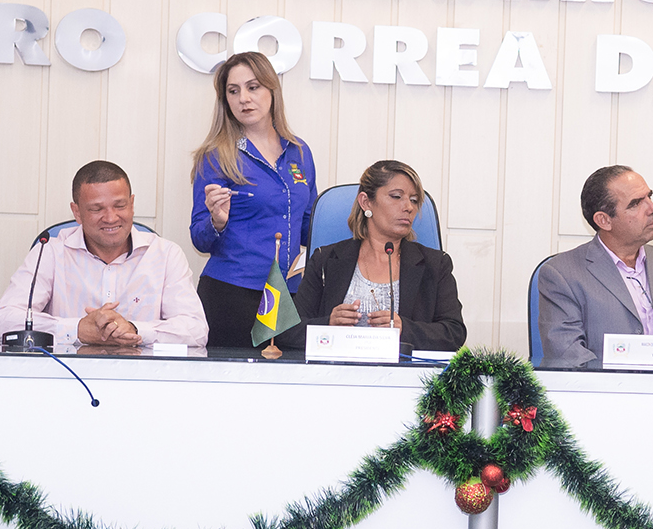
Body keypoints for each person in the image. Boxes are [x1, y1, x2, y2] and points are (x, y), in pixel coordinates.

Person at [0, 161, 208, 348]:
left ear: (132, 204)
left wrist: (134, 329)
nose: (110, 218)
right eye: (96, 209)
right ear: (77, 212)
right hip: (65, 377)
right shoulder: (50, 252)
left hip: (143, 378)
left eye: (120, 205)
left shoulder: (166, 254)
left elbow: (196, 331)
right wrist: (77, 329)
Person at [536, 165, 653, 368]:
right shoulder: (562, 274)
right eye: (635, 203)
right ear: (604, 220)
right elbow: (568, 357)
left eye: (649, 197)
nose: (652, 208)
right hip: (606, 388)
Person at [190, 50, 317, 349]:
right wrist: (216, 222)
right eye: (233, 91)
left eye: (253, 87)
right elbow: (199, 238)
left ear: (272, 90)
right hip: (231, 295)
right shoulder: (215, 156)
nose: (243, 99)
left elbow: (308, 228)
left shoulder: (299, 151)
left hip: (289, 296)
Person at [294, 159, 466, 352]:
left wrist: (405, 329)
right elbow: (289, 331)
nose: (409, 207)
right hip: (337, 369)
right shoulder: (325, 260)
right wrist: (328, 325)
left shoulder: (436, 264)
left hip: (405, 370)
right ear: (366, 202)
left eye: (414, 200)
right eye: (396, 197)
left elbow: (454, 333)